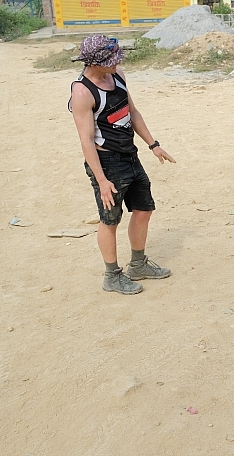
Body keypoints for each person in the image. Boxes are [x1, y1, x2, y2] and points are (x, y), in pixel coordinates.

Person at [69, 35, 176, 295]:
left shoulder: (117, 75)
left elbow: (132, 112)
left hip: (130, 155)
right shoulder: (82, 92)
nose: (116, 64)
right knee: (110, 220)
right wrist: (102, 180)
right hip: (107, 162)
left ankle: (138, 264)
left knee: (144, 209)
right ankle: (112, 276)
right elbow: (86, 141)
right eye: (111, 61)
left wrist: (153, 144)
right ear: (94, 63)